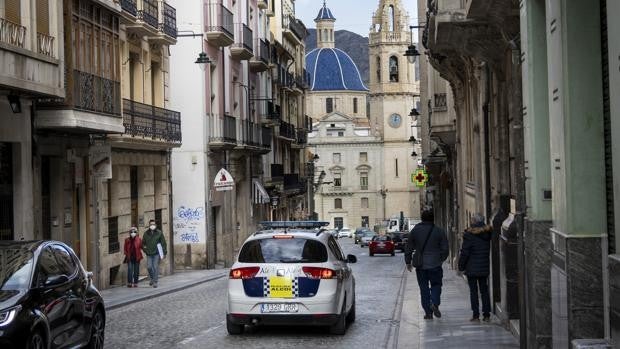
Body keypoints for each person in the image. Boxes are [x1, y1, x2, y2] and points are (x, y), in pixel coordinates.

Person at [405, 209, 449, 320]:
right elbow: (445, 249)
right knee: (436, 284)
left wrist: (408, 262)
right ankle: (434, 302)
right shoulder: (439, 231)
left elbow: (408, 247)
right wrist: (440, 259)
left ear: (422, 218)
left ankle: (428, 313)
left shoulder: (415, 231)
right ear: (433, 218)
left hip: (421, 265)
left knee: (423, 288)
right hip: (435, 264)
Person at [458, 213, 493, 322]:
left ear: (474, 221)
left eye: (472, 219)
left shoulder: (469, 235)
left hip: (471, 268)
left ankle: (476, 315)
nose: (471, 221)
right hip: (484, 267)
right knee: (484, 290)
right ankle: (486, 315)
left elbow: (465, 252)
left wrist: (461, 266)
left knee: (473, 292)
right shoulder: (487, 233)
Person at [142, 219, 167, 288]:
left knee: (155, 267)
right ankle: (152, 278)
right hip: (149, 253)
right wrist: (145, 250)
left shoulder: (159, 233)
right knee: (149, 267)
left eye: (153, 224)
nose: (152, 226)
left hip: (156, 253)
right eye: (151, 224)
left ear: (155, 225)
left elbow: (163, 243)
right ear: (149, 225)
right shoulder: (146, 233)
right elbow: (143, 243)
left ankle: (155, 281)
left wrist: (164, 252)